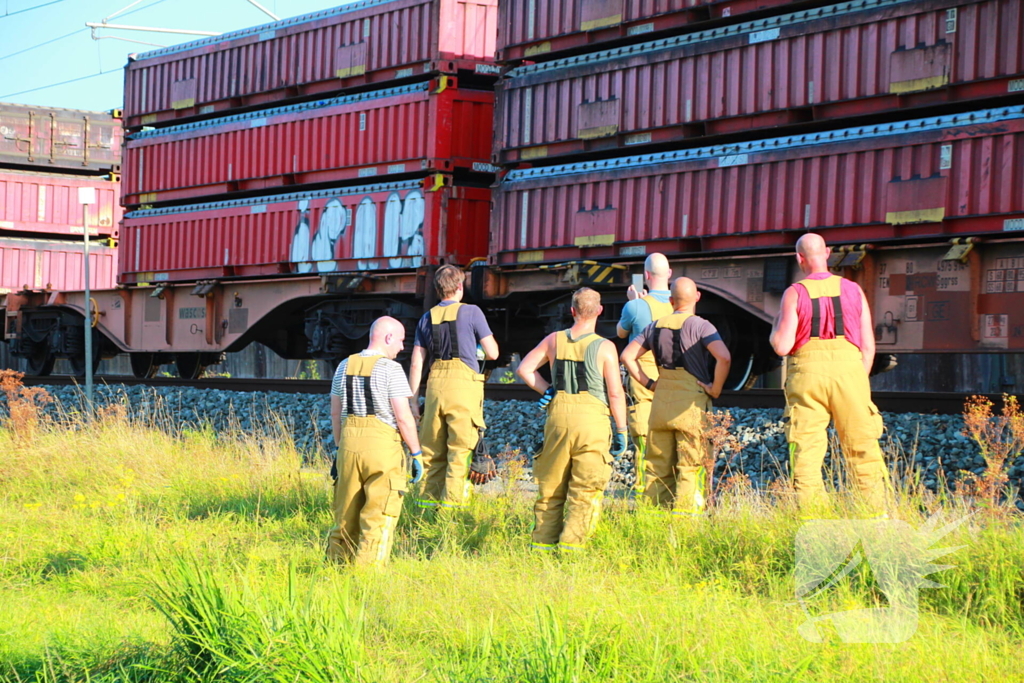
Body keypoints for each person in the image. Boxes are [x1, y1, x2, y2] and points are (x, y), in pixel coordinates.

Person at [769, 233, 888, 516]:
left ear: (799, 259)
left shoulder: (794, 292)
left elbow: (782, 346)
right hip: (850, 371)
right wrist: (857, 379)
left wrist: (775, 325)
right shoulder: (853, 290)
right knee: (862, 447)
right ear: (828, 253)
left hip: (808, 373)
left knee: (807, 452)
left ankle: (814, 518)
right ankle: (874, 516)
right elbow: (869, 346)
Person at [517, 288, 629, 551]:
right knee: (585, 491)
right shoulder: (605, 347)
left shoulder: (553, 340)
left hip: (558, 416)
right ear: (600, 311)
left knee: (551, 488)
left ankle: (542, 546)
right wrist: (622, 429)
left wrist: (547, 390)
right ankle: (572, 549)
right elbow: (615, 392)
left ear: (572, 311)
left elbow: (524, 369)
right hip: (592, 421)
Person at [621, 277, 731, 515]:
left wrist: (650, 383)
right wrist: (715, 389)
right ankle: (685, 523)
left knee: (657, 467)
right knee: (691, 466)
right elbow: (724, 357)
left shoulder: (654, 326)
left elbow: (627, 356)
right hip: (690, 404)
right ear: (698, 297)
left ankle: (651, 520)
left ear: (671, 301)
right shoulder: (702, 326)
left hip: (661, 402)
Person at [327, 316, 423, 566]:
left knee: (345, 518)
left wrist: (339, 449)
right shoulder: (392, 369)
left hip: (348, 447)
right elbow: (403, 418)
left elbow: (336, 413)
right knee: (378, 520)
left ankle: (335, 573)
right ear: (388, 337)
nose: (402, 347)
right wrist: (416, 453)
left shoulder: (343, 366)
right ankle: (367, 580)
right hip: (382, 451)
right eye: (401, 340)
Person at [408, 264, 499, 509]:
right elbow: (493, 352)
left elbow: (417, 363)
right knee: (460, 452)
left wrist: (413, 401)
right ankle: (451, 514)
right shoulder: (472, 312)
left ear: (438, 290)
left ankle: (424, 512)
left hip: (435, 388)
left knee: (431, 452)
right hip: (464, 390)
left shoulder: (426, 318)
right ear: (460, 287)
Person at [617, 253, 673, 492]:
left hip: (644, 377)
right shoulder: (681, 301)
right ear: (669, 274)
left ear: (646, 276)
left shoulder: (636, 305)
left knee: (644, 436)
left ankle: (646, 493)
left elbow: (621, 333)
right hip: (674, 375)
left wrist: (634, 301)